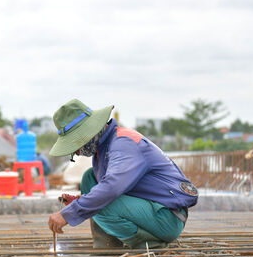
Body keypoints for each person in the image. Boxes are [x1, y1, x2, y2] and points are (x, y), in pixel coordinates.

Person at [48, 99, 198, 249]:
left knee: (102, 202)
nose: (77, 151)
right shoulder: (104, 149)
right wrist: (80, 200)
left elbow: (111, 188)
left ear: (89, 132)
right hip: (151, 207)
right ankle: (107, 244)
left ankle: (148, 245)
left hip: (168, 217)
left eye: (76, 144)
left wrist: (68, 214)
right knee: (89, 178)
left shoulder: (123, 144)